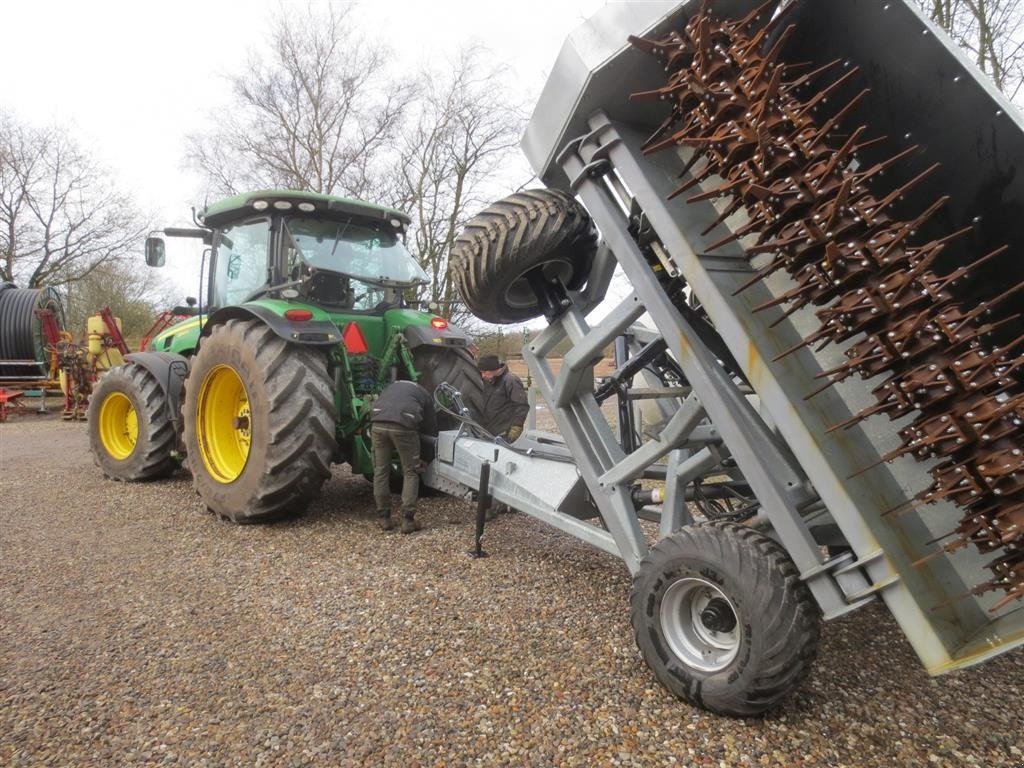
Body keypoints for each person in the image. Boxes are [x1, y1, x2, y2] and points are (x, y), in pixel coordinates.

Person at [370, 380, 436, 533]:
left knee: (380, 471)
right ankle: (408, 521)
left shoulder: (391, 386)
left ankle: (384, 518)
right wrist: (426, 457)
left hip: (378, 424)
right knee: (410, 472)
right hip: (404, 427)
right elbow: (430, 427)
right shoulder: (425, 395)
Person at [478, 355, 530, 442]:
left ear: (493, 369)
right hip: (489, 433)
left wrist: (516, 427)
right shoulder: (488, 382)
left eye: (484, 372)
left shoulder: (510, 380)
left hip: (504, 433)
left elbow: (521, 406)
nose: (482, 376)